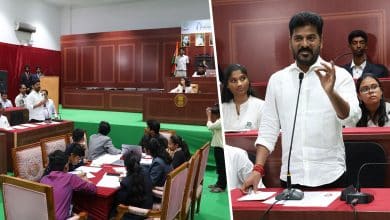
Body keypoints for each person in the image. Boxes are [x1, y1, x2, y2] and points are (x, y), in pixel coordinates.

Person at [242, 11, 361, 192]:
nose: (304, 44)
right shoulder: (277, 80)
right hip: (291, 178)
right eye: (298, 38)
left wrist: (331, 93)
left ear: (321, 41)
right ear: (290, 42)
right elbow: (268, 129)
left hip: (331, 176)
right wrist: (257, 169)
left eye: (311, 38)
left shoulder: (340, 76)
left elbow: (351, 119)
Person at [40, 150, 96, 220]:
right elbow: (93, 189)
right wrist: (86, 180)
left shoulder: (43, 179)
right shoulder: (70, 178)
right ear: (66, 166)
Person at [221, 64, 264, 131]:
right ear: (227, 85)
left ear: (248, 80)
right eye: (233, 81)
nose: (239, 84)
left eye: (242, 78)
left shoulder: (262, 106)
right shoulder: (223, 108)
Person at [112, 152, 153, 220]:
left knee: (111, 211)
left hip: (132, 215)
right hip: (148, 210)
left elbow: (119, 202)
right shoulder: (146, 172)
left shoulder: (126, 182)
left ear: (126, 165)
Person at [206, 103, 225, 193]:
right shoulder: (220, 120)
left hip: (221, 147)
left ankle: (221, 186)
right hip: (218, 146)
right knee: (219, 166)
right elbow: (214, 129)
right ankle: (218, 183)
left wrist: (209, 116)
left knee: (222, 167)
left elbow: (210, 126)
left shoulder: (221, 121)